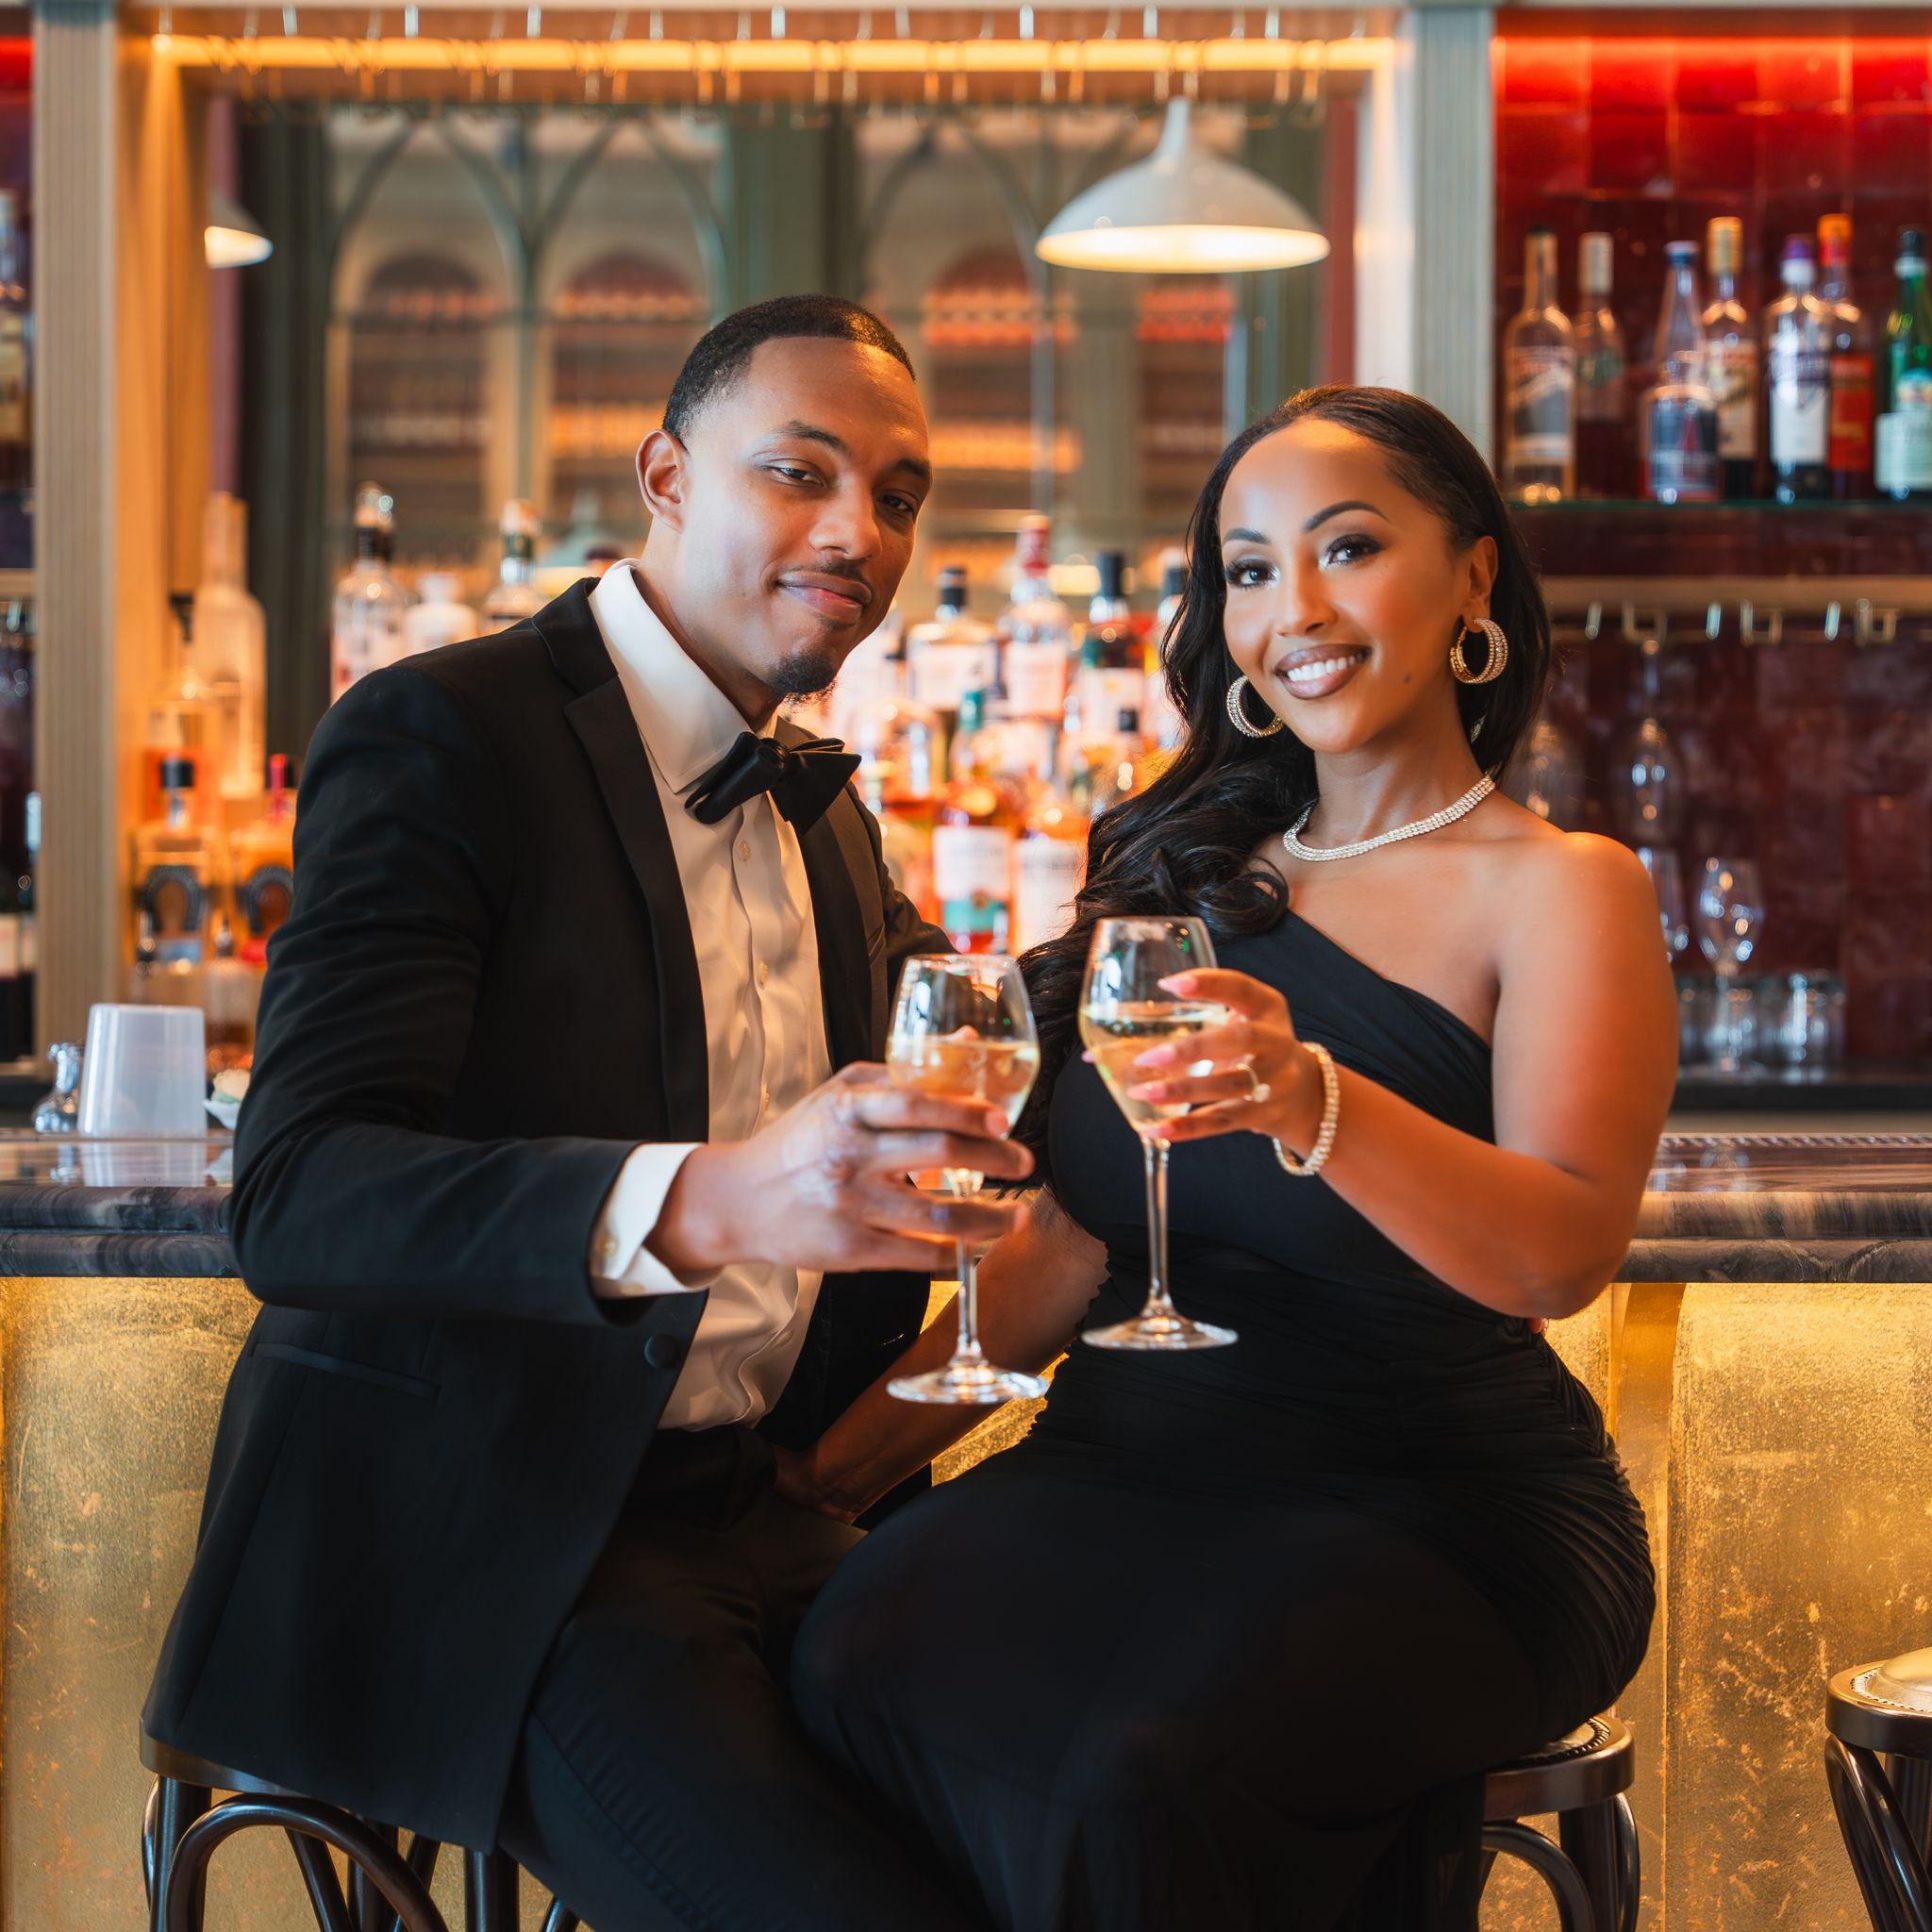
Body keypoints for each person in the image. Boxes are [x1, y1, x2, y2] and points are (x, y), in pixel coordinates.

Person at [142, 296, 1026, 1932]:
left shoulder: (823, 810)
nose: (860, 532)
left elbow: (979, 1028)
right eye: (801, 472)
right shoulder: (444, 734)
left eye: (899, 495)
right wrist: (712, 1199)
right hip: (495, 1546)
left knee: (1108, 1809)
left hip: (767, 1509)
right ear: (665, 477)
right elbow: (303, 1192)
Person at [784, 385, 1676, 1929]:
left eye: (1349, 549)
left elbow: (1560, 1255)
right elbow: (1068, 1255)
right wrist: (823, 1476)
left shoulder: (1563, 889)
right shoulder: (1186, 874)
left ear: (1472, 577)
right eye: (1250, 571)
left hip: (1438, 1506)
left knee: (1144, 1774)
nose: (1294, 612)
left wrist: (1311, 1096)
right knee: (850, 1657)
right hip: (1127, 1466)